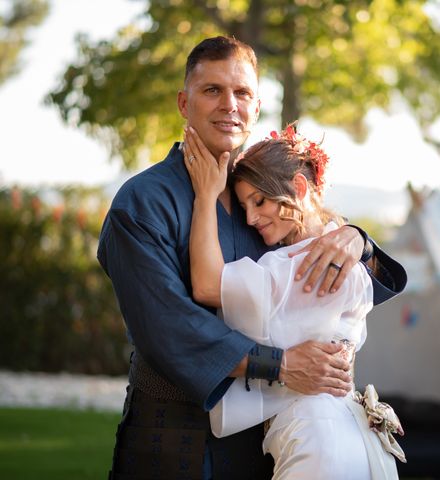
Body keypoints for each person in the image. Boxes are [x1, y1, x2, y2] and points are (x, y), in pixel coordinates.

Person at [97, 36, 406, 480]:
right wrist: (281, 365)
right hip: (168, 435)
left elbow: (322, 265)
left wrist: (357, 240)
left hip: (261, 440)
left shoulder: (259, 201)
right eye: (212, 91)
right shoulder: (143, 202)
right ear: (184, 103)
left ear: (256, 107)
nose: (229, 105)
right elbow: (166, 326)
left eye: (242, 93)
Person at [182, 124, 405, 479]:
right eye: (244, 207)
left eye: (260, 201)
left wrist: (205, 198)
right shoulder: (346, 258)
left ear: (299, 188)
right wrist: (356, 235)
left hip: (317, 443)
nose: (252, 218)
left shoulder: (298, 271)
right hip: (358, 437)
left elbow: (208, 285)